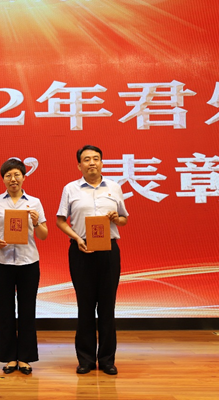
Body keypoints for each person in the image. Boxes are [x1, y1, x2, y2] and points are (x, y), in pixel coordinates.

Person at [56, 145, 128, 376]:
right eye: (86, 159)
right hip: (81, 249)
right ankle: (85, 359)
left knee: (107, 307)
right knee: (85, 306)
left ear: (102, 163)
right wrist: (77, 238)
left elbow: (124, 219)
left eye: (96, 158)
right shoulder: (71, 188)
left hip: (108, 250)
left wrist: (117, 218)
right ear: (79, 165)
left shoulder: (114, 187)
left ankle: (107, 360)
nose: (92, 163)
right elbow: (60, 220)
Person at [0, 158, 48, 375]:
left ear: (24, 177)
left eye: (17, 174)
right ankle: (9, 357)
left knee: (27, 311)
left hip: (29, 263)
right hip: (2, 262)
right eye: (8, 175)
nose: (13, 179)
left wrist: (36, 222)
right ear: (3, 179)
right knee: (5, 311)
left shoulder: (34, 202)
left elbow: (43, 235)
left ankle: (25, 358)